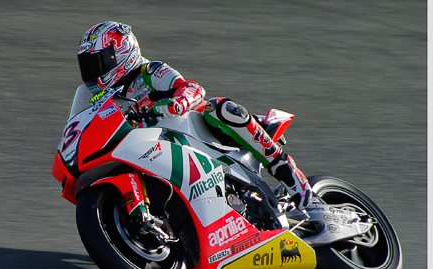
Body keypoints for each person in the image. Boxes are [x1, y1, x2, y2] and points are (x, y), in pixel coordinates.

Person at [76, 21, 312, 210]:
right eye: (88, 66)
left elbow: (192, 89)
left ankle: (285, 168)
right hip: (155, 147)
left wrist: (176, 104)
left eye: (98, 63)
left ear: (120, 53)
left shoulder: (150, 72)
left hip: (195, 133)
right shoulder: (109, 98)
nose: (93, 72)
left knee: (218, 108)